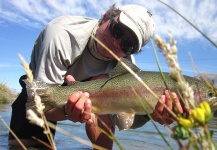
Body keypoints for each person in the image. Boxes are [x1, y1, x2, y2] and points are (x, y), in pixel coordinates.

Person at [8, 4, 184, 149]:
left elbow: (124, 120)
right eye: (117, 30)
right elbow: (40, 109)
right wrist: (66, 112)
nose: (116, 43)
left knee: (102, 91)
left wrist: (149, 115)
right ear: (106, 17)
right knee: (26, 145)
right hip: (44, 84)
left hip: (92, 94)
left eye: (127, 45)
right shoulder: (62, 35)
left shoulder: (126, 66)